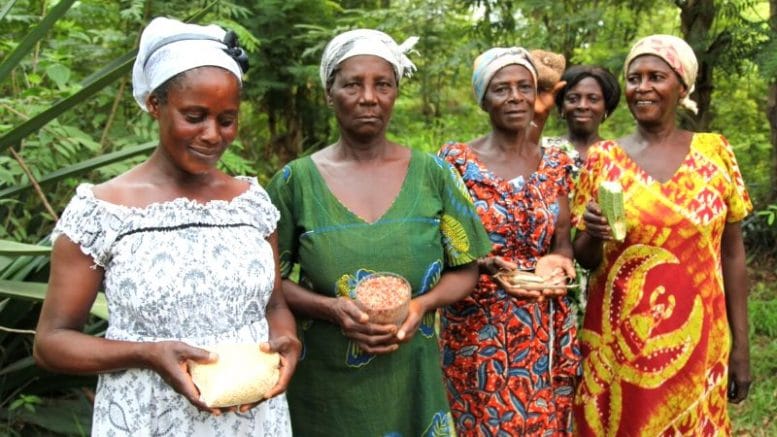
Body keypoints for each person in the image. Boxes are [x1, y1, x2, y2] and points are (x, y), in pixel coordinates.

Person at [33, 17, 299, 436]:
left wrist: (288, 342)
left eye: (227, 119)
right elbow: (51, 343)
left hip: (253, 419)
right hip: (148, 418)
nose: (213, 135)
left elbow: (274, 306)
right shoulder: (101, 211)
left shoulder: (251, 202)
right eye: (194, 116)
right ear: (156, 104)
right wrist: (148, 353)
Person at [266, 29, 492, 436]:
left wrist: (421, 306)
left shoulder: (435, 175)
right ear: (328, 93)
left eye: (382, 84)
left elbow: (466, 269)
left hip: (412, 381)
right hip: (324, 388)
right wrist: (331, 309)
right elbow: (269, 281)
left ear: (395, 93)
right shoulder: (294, 183)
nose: (369, 97)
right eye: (352, 84)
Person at [572, 34, 752, 436]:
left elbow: (733, 255)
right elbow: (584, 257)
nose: (643, 87)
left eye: (657, 77)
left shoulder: (715, 153)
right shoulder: (604, 159)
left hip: (701, 341)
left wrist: (742, 347)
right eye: (635, 78)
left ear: (682, 86)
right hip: (619, 345)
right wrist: (594, 233)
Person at [438, 47, 580, 436]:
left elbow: (563, 241)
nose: (515, 97)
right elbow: (441, 245)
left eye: (524, 87)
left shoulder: (556, 164)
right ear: (483, 98)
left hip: (544, 323)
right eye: (501, 89)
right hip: (478, 330)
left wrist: (557, 262)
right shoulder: (455, 162)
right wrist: (485, 265)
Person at [545, 65, 621, 167]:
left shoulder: (619, 155)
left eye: (593, 99)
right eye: (573, 99)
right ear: (562, 106)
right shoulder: (543, 150)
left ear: (606, 107)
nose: (582, 106)